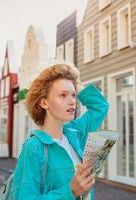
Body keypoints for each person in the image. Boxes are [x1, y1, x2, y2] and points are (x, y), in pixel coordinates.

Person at [11, 63, 109, 200]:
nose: (72, 102)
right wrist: (70, 191)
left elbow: (101, 106)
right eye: (63, 95)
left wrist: (73, 82)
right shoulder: (33, 148)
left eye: (73, 95)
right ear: (44, 103)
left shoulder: (75, 133)